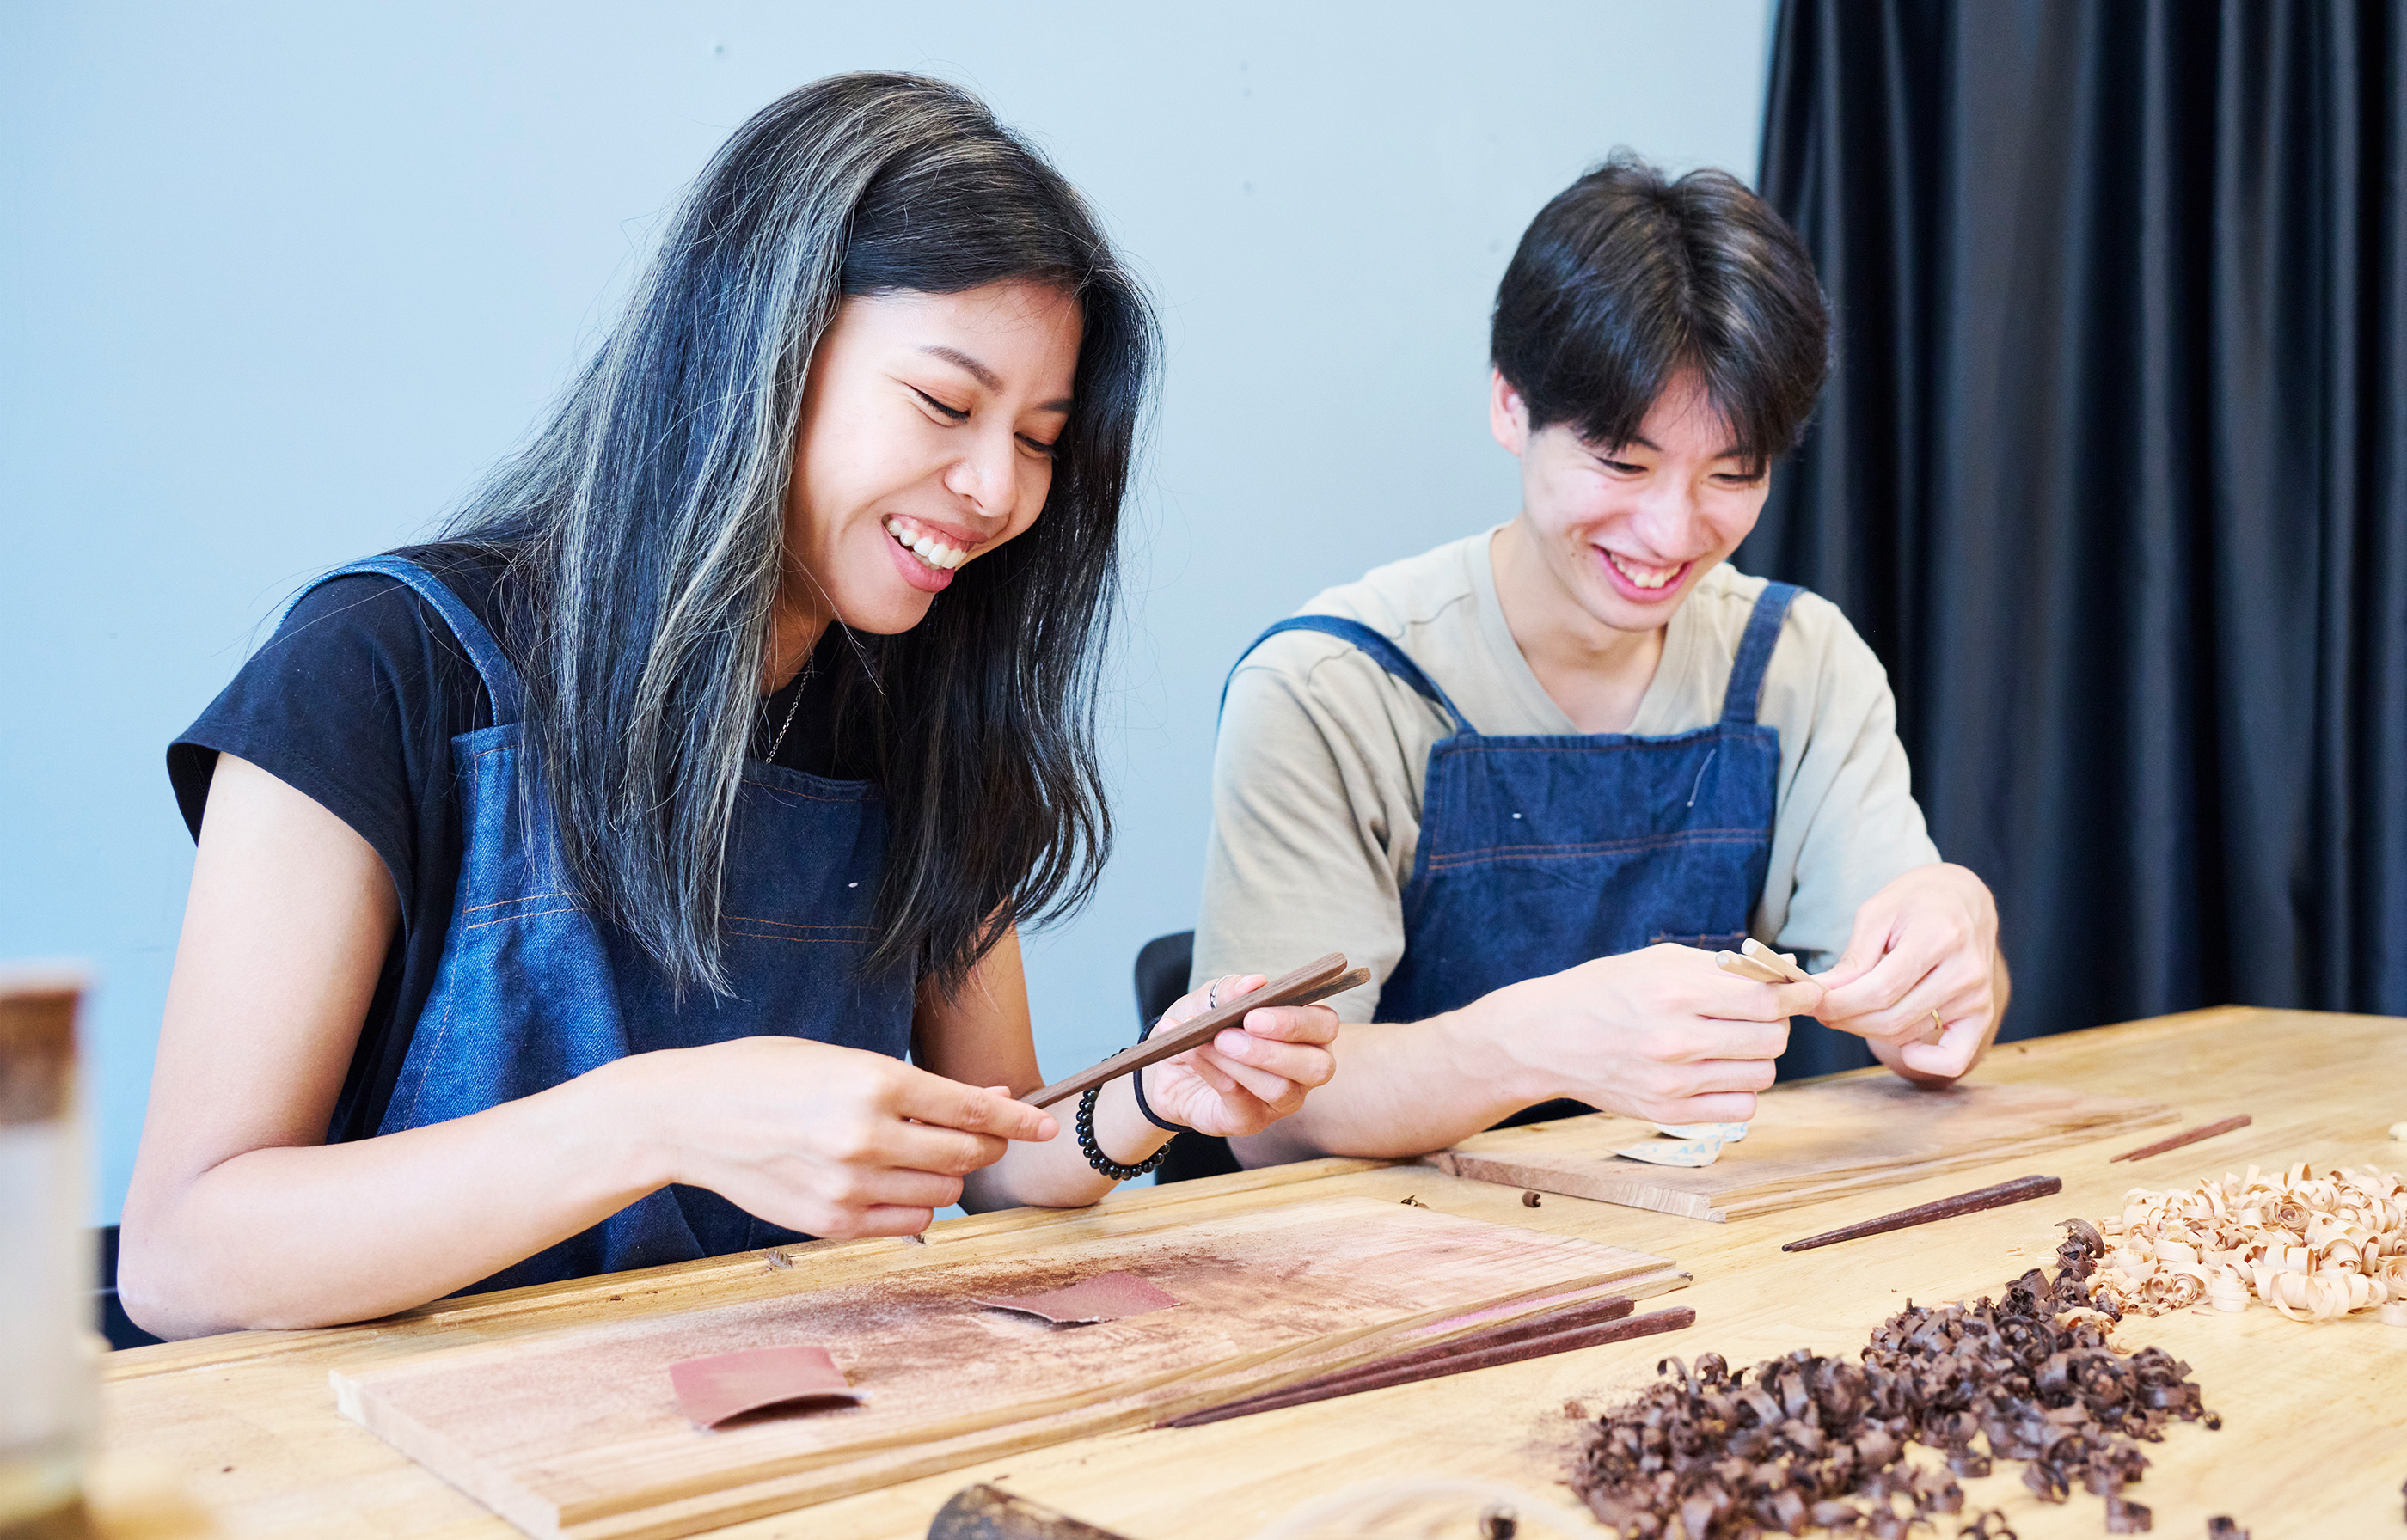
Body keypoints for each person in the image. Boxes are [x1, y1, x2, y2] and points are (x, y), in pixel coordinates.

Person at [119, 74, 1338, 1338]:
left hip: (767, 1427)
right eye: (943, 404)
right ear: (760, 344)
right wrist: (658, 1119)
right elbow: (184, 1257)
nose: (994, 489)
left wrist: (1151, 1094)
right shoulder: (375, 669)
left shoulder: (925, 709)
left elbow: (995, 1150)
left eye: (1038, 437)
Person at [1184, 156, 2007, 1172]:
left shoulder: (1798, 660)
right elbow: (1274, 1117)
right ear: (1509, 406)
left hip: (1719, 1257)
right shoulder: (1332, 686)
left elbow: (1921, 1031)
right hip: (1391, 1271)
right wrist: (1536, 1045)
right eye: (1622, 463)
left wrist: (1954, 949)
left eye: (1731, 473)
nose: (1671, 531)